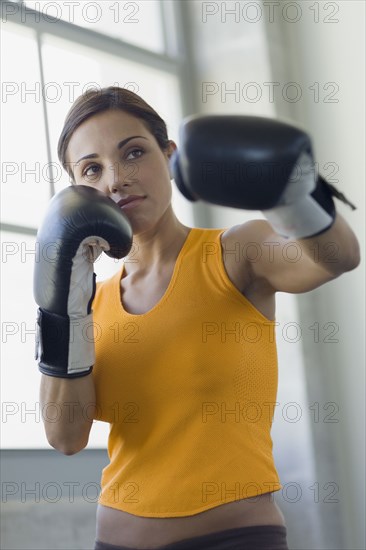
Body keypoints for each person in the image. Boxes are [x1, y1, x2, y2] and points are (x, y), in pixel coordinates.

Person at [35, 87, 360, 550]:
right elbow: (65, 436)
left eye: (133, 152)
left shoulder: (235, 251)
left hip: (237, 537)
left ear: (169, 156)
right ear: (75, 188)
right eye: (92, 168)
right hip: (116, 538)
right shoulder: (87, 305)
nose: (117, 179)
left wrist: (293, 190)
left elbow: (337, 257)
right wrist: (62, 304)